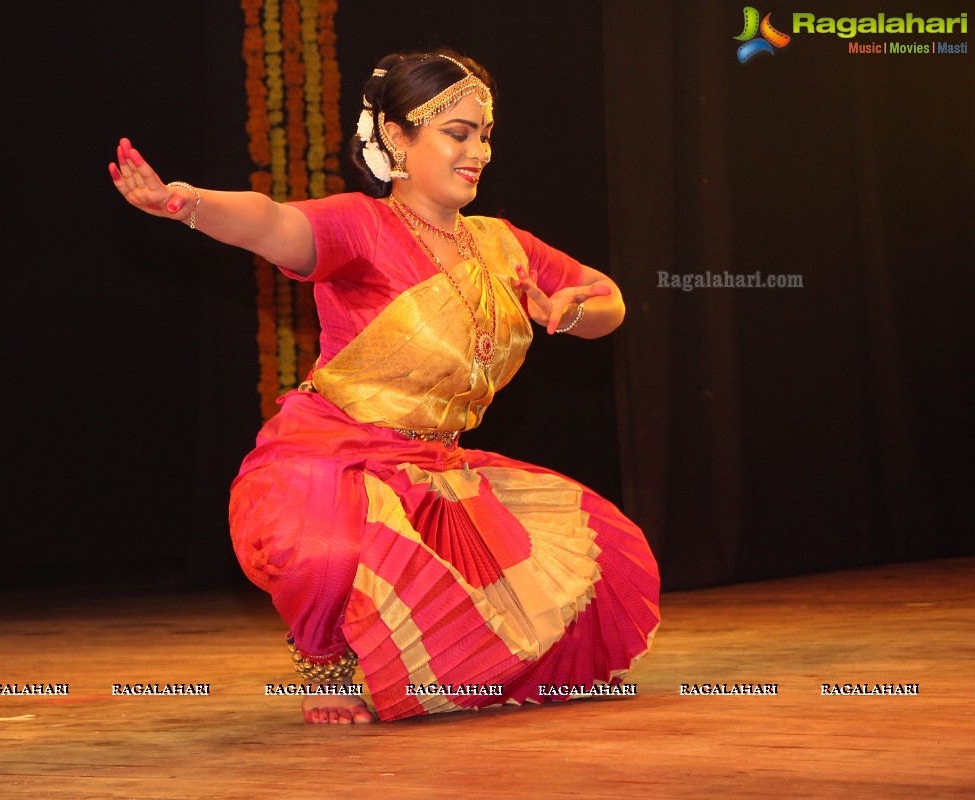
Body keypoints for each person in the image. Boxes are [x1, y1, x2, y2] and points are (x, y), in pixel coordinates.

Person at [109, 50, 660, 724]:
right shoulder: (363, 227)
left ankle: (394, 642)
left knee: (595, 573)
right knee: (324, 550)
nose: (478, 151)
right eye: (457, 134)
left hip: (435, 466)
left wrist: (570, 312)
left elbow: (610, 299)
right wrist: (187, 204)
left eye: (483, 135)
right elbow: (273, 223)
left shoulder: (502, 244)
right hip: (330, 454)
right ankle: (323, 659)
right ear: (398, 137)